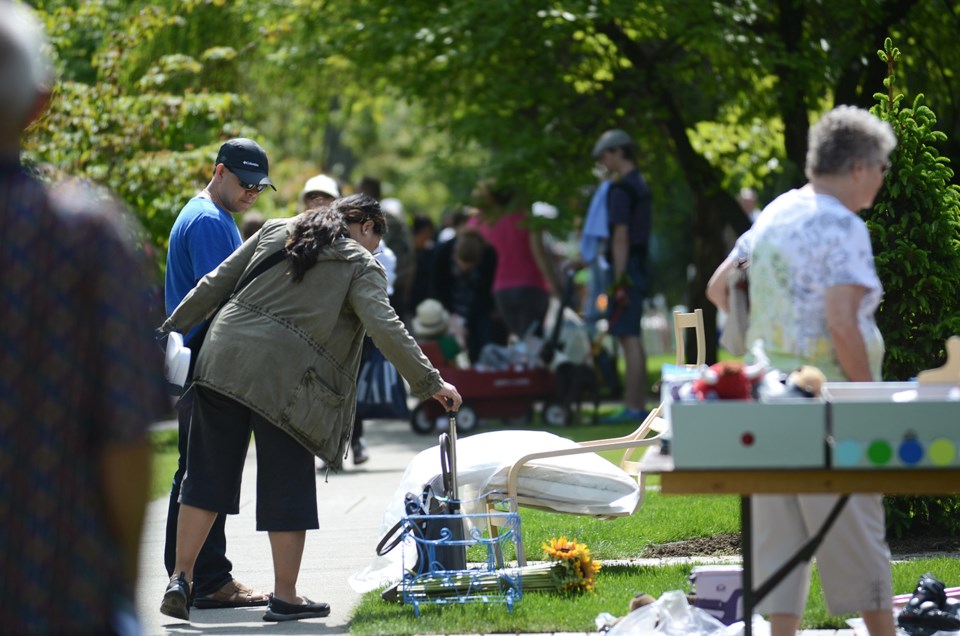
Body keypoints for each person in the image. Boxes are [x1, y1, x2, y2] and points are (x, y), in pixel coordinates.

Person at [158, 194, 461, 622]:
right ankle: (285, 596)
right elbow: (386, 328)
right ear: (367, 226)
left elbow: (213, 284)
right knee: (287, 484)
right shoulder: (360, 263)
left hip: (224, 360)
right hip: (288, 379)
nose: (375, 250)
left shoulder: (275, 229)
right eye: (375, 240)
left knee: (206, 474)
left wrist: (168, 329)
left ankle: (181, 578)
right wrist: (431, 382)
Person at [0, 3, 165, 631]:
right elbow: (124, 436)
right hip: (55, 588)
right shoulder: (86, 235)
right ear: (39, 105)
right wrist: (121, 587)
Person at [706, 105, 897, 636]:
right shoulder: (842, 226)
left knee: (781, 547)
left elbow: (721, 285)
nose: (883, 178)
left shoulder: (774, 213)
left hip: (767, 405)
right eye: (882, 166)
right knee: (858, 540)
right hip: (831, 408)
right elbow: (842, 323)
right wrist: (868, 400)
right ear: (859, 166)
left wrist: (755, 345)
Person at [163, 137, 276, 611]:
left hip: (197, 362)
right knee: (207, 476)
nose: (252, 192)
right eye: (245, 182)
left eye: (259, 186)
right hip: (210, 363)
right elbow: (226, 303)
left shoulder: (208, 214)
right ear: (220, 171)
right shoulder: (210, 221)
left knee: (195, 472)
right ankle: (205, 579)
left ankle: (190, 577)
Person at [591, 128, 653, 422]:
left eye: (606, 154)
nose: (604, 160)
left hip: (626, 268)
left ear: (618, 152)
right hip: (639, 264)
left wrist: (618, 280)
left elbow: (620, 236)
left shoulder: (620, 190)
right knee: (633, 336)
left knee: (628, 337)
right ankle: (636, 403)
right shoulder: (640, 184)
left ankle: (632, 406)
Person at [468, 180, 562, 340]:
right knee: (533, 339)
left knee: (519, 338)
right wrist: (556, 285)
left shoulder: (484, 224)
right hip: (532, 287)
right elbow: (540, 255)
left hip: (500, 290)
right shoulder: (527, 220)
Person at [432, 227, 499, 364]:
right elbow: (437, 287)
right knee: (449, 350)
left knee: (480, 342)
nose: (464, 269)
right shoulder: (442, 252)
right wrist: (451, 314)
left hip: (476, 306)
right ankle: (452, 373)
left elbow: (486, 291)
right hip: (449, 307)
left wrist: (469, 319)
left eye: (470, 266)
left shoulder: (489, 254)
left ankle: (477, 371)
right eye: (461, 263)